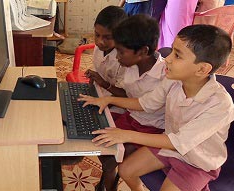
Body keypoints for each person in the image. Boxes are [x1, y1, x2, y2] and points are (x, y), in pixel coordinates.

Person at [78, 24, 234, 191]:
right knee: (126, 170)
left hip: (197, 162)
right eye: (172, 51)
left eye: (178, 55)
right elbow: (145, 103)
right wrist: (108, 100)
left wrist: (125, 135)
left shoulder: (220, 105)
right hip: (170, 147)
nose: (168, 58)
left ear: (203, 69)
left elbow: (177, 142)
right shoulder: (173, 79)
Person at [94, 14, 166, 191]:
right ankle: (106, 181)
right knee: (99, 142)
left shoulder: (165, 76)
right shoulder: (132, 66)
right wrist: (104, 93)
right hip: (131, 118)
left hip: (151, 129)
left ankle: (109, 186)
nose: (117, 57)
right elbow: (128, 95)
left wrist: (108, 99)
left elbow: (144, 104)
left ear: (143, 51)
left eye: (121, 52)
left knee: (111, 158)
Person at [85, 6, 127, 98]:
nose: (100, 41)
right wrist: (91, 84)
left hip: (115, 104)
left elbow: (126, 96)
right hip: (99, 93)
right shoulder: (100, 48)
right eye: (97, 35)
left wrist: (104, 84)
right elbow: (97, 70)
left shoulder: (125, 59)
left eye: (107, 37)